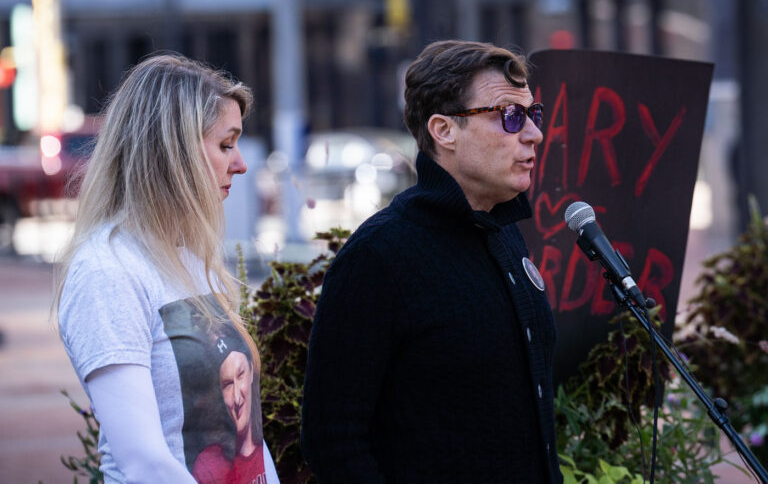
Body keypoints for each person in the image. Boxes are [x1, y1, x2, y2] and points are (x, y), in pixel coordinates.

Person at [301, 40, 563, 483]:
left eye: (533, 114)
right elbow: (333, 439)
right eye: (510, 116)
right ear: (444, 131)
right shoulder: (379, 256)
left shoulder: (502, 232)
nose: (534, 134)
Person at [56, 54, 279, 483]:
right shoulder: (108, 270)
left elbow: (249, 440)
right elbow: (143, 462)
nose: (241, 164)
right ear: (175, 151)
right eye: (225, 145)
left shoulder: (188, 255)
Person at [192, 327, 268, 484]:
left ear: (251, 371)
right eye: (227, 384)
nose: (237, 398)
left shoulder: (266, 448)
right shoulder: (208, 466)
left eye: (240, 375)